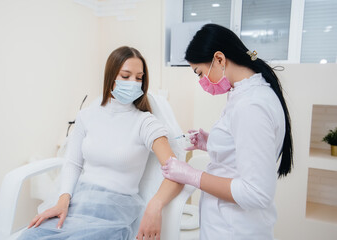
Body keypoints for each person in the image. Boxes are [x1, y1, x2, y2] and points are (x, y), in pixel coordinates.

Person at [18, 46, 183, 240]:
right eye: (126, 76)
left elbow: (177, 173)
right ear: (111, 76)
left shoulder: (145, 123)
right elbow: (73, 163)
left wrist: (155, 205)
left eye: (139, 78)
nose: (133, 83)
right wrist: (63, 199)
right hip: (77, 203)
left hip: (114, 212)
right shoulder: (87, 116)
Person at [162, 24, 293, 240]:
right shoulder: (245, 95)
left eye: (200, 73)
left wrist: (192, 175)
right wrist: (211, 142)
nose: (201, 81)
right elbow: (245, 148)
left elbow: (257, 193)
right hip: (227, 226)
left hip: (236, 230)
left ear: (220, 59)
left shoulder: (251, 105)